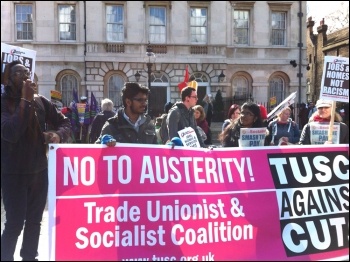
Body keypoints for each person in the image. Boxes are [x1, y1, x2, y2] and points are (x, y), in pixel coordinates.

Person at [1, 60, 72, 261]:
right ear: (8, 79)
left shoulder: (41, 101)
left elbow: (65, 122)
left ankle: (30, 257)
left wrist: (57, 134)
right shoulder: (4, 103)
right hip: (13, 172)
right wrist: (25, 100)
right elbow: (11, 132)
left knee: (34, 221)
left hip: (39, 170)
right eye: (18, 74)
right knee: (14, 223)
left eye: (26, 73)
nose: (25, 78)